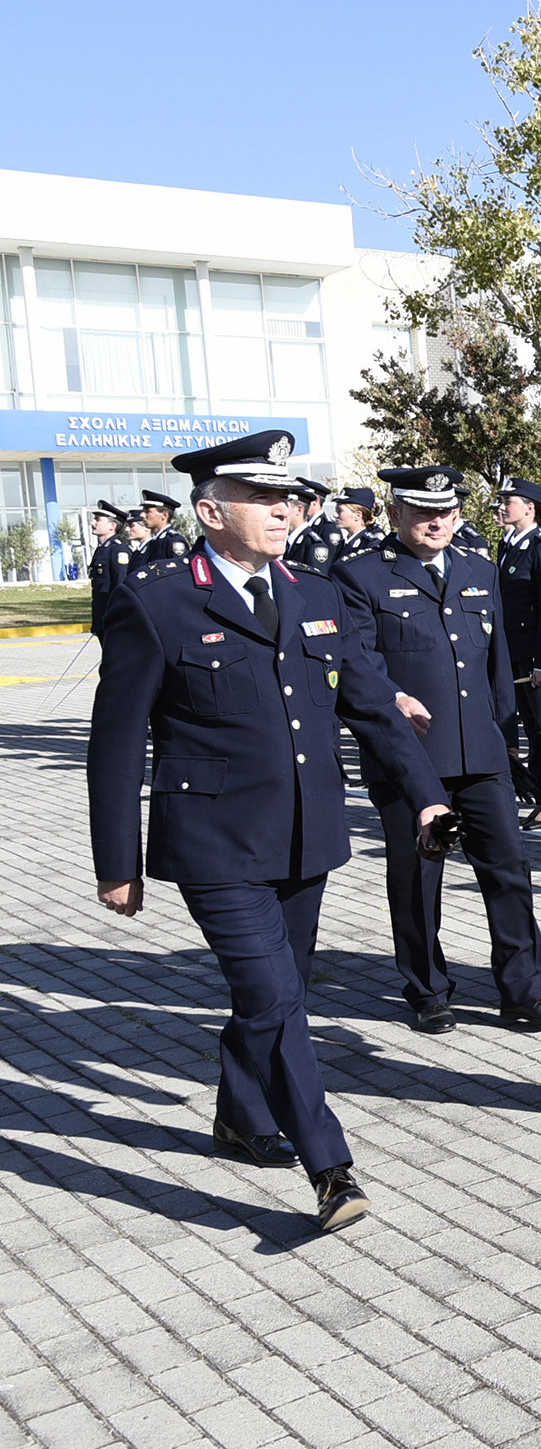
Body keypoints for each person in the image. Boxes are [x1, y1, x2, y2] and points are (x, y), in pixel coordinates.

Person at [88, 428, 450, 1232]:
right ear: (212, 510)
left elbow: (372, 705)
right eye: (263, 497)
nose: (286, 508)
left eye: (289, 496)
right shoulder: (155, 601)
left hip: (306, 837)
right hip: (215, 843)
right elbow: (114, 744)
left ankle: (238, 1115)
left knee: (268, 1001)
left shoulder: (313, 594)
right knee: (278, 996)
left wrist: (426, 796)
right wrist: (118, 861)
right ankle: (331, 1168)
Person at [333, 468, 541, 1035]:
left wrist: (507, 738)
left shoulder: (478, 570)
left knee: (509, 869)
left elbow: (496, 666)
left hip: (482, 753)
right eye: (421, 511)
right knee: (417, 878)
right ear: (395, 514)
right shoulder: (360, 576)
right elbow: (358, 663)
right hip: (412, 760)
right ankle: (428, 989)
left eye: (447, 512)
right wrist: (394, 698)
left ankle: (523, 989)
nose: (436, 522)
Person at [495, 479, 541, 831]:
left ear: (530, 508)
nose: (501, 505)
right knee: (532, 725)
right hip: (514, 651)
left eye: (509, 501)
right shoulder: (508, 546)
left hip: (536, 656)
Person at [86, 503, 137, 632]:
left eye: (98, 519)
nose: (92, 523)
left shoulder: (118, 549)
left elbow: (120, 582)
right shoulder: (102, 549)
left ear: (112, 526)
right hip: (102, 612)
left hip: (113, 615)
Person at [134, 491, 190, 568]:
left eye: (147, 511)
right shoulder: (152, 543)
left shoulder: (173, 540)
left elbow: (179, 573)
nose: (142, 515)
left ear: (164, 515)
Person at [328, 488, 381, 563]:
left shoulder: (370, 545)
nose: (335, 515)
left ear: (358, 516)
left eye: (340, 510)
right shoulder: (344, 543)